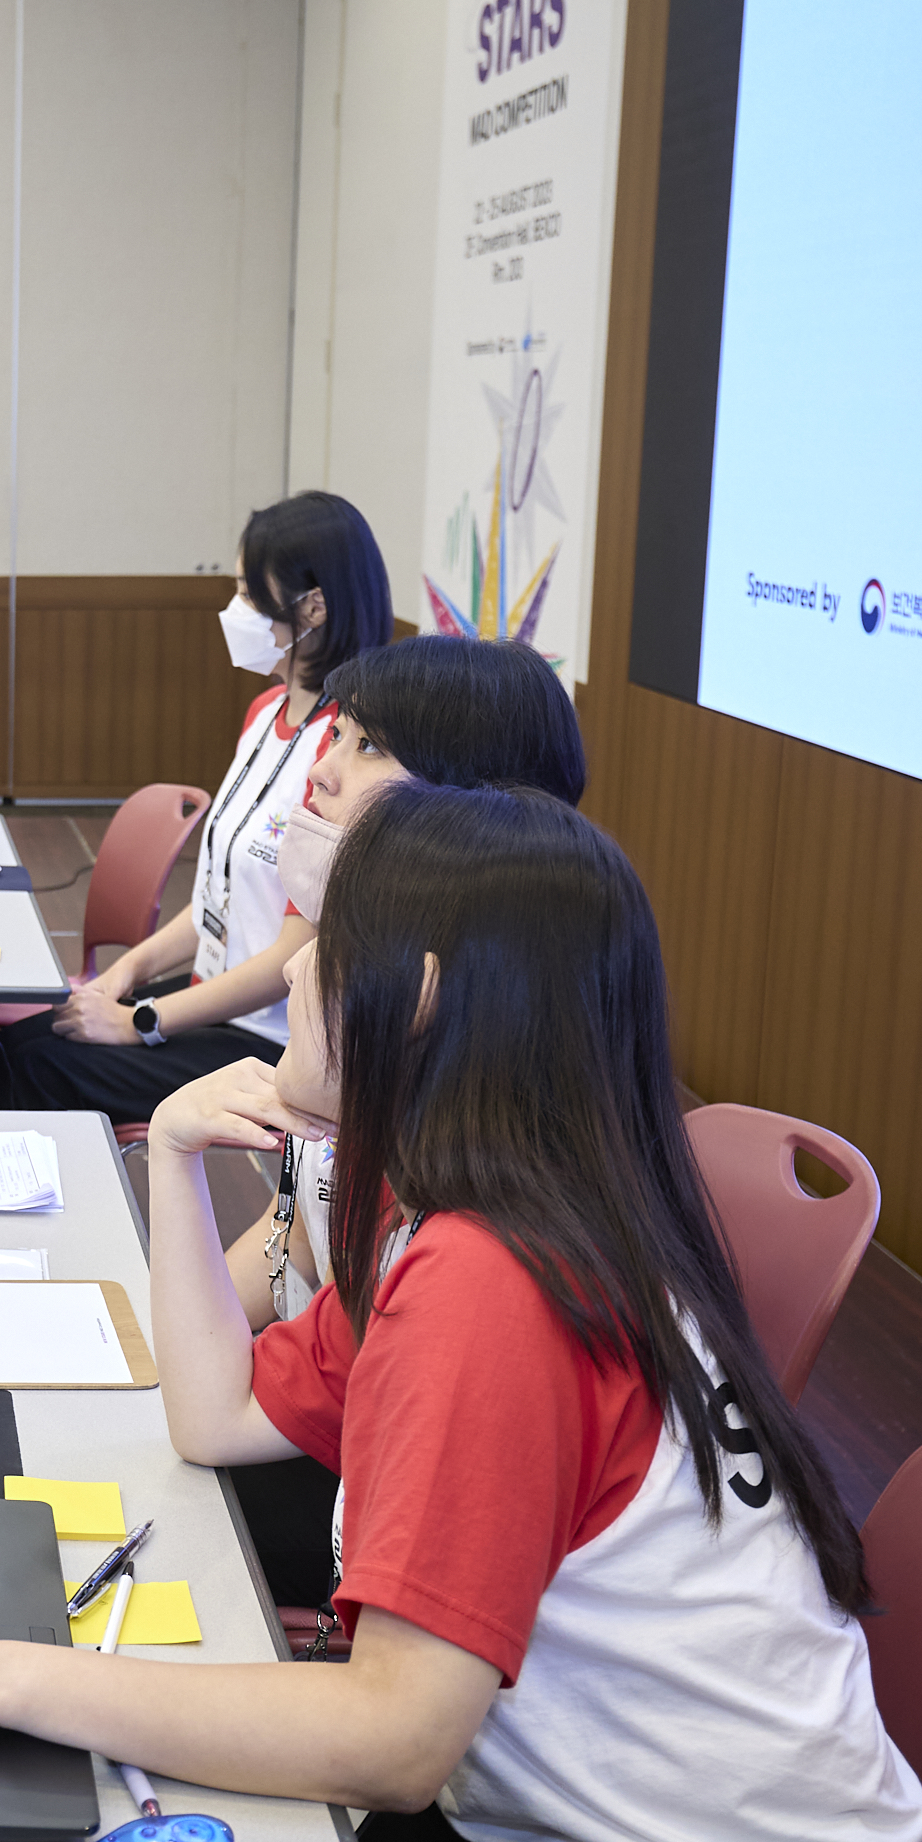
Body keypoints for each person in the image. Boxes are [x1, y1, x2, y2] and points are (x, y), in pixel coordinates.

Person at [0, 784, 922, 1842]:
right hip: (599, 1836)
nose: (293, 972)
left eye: (327, 946)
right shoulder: (497, 1211)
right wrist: (178, 1155)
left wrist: (1, 1676)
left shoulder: (491, 1281)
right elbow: (215, 1416)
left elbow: (392, 1738)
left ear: (414, 997)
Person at [218, 630, 590, 1612]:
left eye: (369, 746)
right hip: (337, 1416)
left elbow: (404, 1710)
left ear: (475, 803)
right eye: (336, 735)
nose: (322, 771)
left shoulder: (475, 1177)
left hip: (394, 1484)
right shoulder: (398, 1049)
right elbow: (293, 1240)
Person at [0, 490, 390, 1125]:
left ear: (313, 607)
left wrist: (139, 1021)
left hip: (271, 1040)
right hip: (215, 996)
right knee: (17, 1047)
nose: (236, 609)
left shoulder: (338, 756)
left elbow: (290, 958)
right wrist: (125, 975)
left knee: (34, 1065)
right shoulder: (266, 713)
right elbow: (216, 903)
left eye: (248, 593)